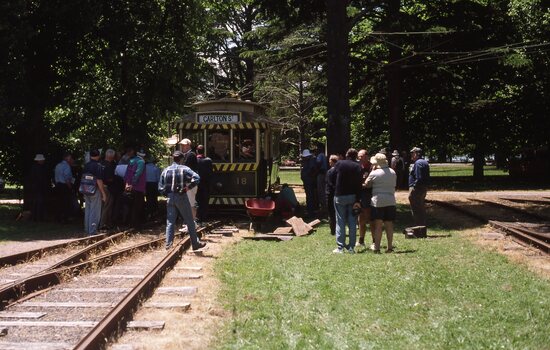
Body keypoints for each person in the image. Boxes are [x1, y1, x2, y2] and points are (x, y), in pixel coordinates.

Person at [158, 150, 206, 251]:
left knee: (170, 222)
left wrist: (167, 194)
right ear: (181, 159)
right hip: (181, 196)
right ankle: (195, 243)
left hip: (170, 197)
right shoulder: (184, 169)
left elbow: (160, 187)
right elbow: (197, 178)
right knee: (189, 221)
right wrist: (187, 189)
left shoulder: (165, 170)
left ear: (173, 158)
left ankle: (168, 244)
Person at [329, 148, 362, 253]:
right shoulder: (358, 166)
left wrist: (336, 187)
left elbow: (332, 175)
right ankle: (351, 247)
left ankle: (340, 247)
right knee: (352, 222)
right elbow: (359, 184)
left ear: (347, 155)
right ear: (356, 156)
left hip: (339, 195)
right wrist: (358, 199)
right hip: (352, 196)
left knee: (340, 221)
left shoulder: (339, 164)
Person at [365, 153, 397, 253]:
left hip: (378, 201)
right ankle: (390, 247)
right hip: (391, 200)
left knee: (378, 225)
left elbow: (367, 184)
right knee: (389, 224)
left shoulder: (374, 173)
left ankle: (377, 247)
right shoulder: (392, 171)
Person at [82, 149, 107, 235]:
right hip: (94, 190)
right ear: (98, 156)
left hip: (85, 189)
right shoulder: (98, 166)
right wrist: (103, 193)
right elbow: (99, 180)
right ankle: (92, 231)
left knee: (88, 209)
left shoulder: (86, 165)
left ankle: (87, 229)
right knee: (95, 210)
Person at [408, 147, 430, 236]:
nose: (411, 155)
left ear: (416, 154)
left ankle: (418, 230)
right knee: (421, 209)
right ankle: (422, 230)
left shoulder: (418, 163)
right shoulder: (424, 162)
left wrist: (414, 187)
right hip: (423, 188)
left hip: (417, 189)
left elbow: (419, 178)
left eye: (412, 153)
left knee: (416, 210)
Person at [123, 146, 146, 229]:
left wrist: (127, 184)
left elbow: (126, 174)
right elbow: (137, 174)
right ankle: (135, 224)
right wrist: (133, 183)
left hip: (128, 186)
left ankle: (127, 223)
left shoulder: (131, 161)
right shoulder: (141, 162)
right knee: (137, 206)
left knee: (129, 205)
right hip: (138, 187)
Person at [356, 149, 374, 250]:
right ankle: (361, 240)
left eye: (361, 156)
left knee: (370, 218)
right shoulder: (358, 167)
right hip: (360, 195)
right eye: (358, 156)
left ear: (366, 156)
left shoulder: (372, 167)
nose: (359, 158)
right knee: (361, 218)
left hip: (369, 195)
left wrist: (364, 185)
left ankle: (374, 241)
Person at [179, 138, 198, 220]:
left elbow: (187, 168)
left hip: (190, 182)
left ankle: (192, 221)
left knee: (191, 202)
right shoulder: (186, 155)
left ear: (188, 146)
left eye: (184, 145)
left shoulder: (191, 155)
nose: (182, 147)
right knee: (188, 202)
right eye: (182, 145)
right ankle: (188, 220)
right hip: (187, 182)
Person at [54, 152, 74, 223]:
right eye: (70, 158)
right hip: (64, 186)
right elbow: (67, 178)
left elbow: (56, 176)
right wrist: (70, 187)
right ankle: (65, 218)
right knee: (66, 203)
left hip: (58, 185)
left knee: (59, 202)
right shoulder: (67, 166)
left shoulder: (58, 165)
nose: (71, 159)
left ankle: (58, 217)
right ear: (66, 158)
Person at [30, 154, 50, 221]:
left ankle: (35, 217)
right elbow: (41, 178)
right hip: (39, 187)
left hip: (36, 187)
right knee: (39, 202)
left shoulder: (34, 167)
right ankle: (38, 217)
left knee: (36, 202)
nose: (43, 161)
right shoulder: (40, 168)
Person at [100, 149, 117, 229]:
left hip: (99, 187)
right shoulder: (109, 165)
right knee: (107, 206)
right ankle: (103, 224)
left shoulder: (100, 163)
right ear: (112, 157)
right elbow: (110, 178)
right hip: (107, 188)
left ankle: (107, 223)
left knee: (102, 206)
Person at [196, 145, 213, 223]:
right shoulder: (208, 160)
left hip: (197, 184)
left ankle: (198, 217)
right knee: (205, 201)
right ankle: (204, 217)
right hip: (206, 184)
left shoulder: (195, 160)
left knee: (197, 200)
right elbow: (210, 173)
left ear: (197, 151)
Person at [325, 154, 340, 235]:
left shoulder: (330, 171)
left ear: (333, 162)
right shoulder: (339, 171)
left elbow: (329, 183)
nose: (329, 163)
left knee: (331, 213)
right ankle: (338, 229)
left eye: (330, 161)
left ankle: (333, 230)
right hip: (338, 194)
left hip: (330, 193)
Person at [300, 149, 317, 217]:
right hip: (307, 180)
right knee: (309, 195)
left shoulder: (311, 161)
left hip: (309, 180)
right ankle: (309, 210)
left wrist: (309, 176)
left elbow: (312, 170)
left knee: (310, 196)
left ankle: (310, 211)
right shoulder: (307, 161)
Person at [145, 155, 161, 220]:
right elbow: (158, 178)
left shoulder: (144, 167)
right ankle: (154, 212)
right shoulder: (156, 168)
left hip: (147, 184)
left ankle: (149, 212)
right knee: (154, 198)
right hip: (154, 184)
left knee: (148, 198)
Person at [314, 143, 328, 215]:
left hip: (321, 174)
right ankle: (324, 207)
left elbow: (318, 163)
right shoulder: (324, 155)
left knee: (321, 191)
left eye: (317, 148)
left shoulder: (320, 155)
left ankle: (323, 207)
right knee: (323, 190)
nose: (316, 149)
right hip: (324, 173)